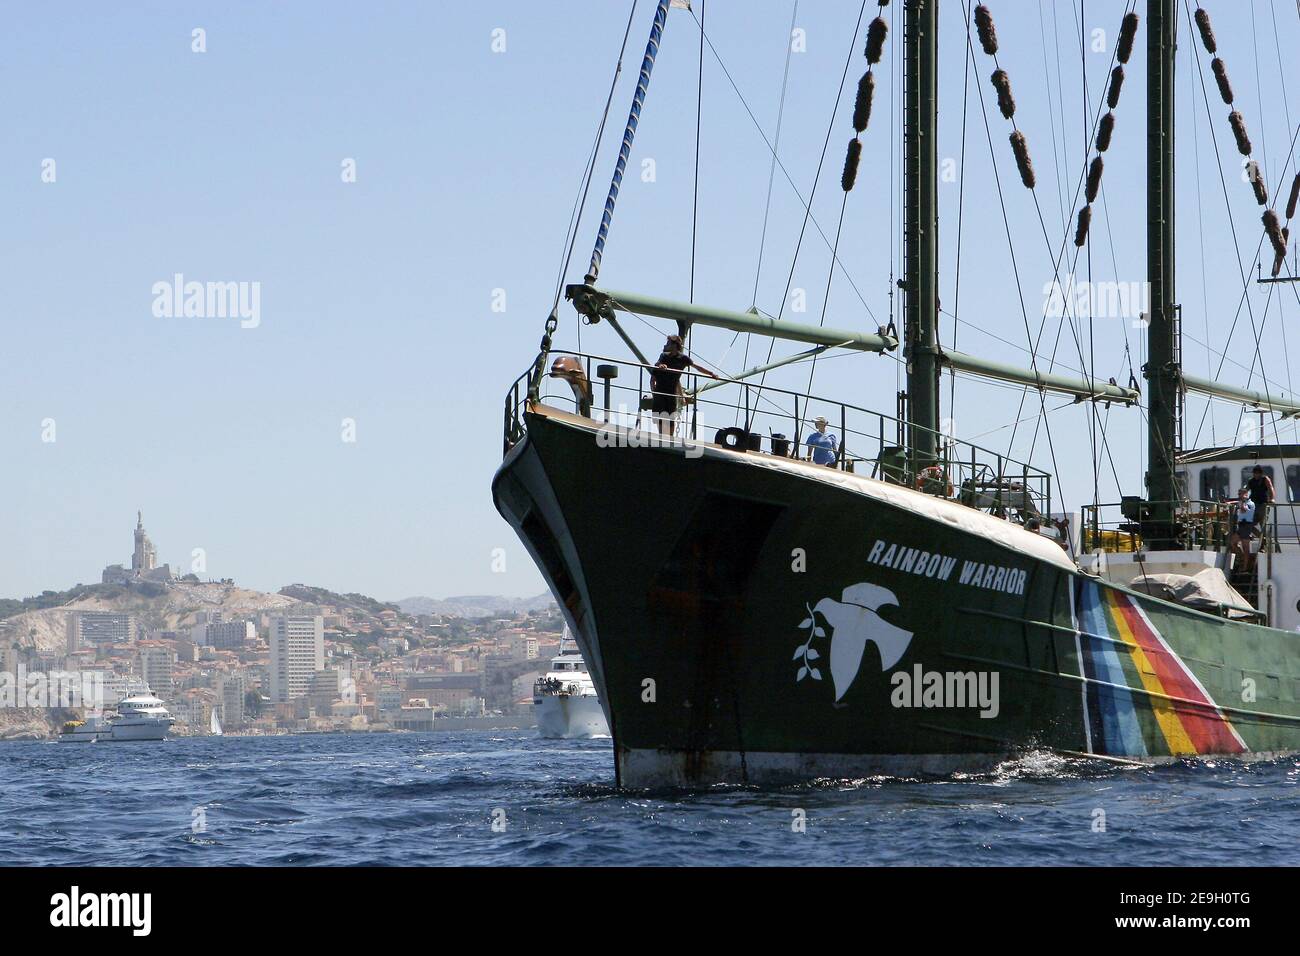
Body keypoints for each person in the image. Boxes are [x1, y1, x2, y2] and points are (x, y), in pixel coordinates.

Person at [649, 335, 718, 437]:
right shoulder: (664, 356)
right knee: (660, 417)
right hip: (660, 389)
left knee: (671, 417)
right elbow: (657, 366)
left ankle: (669, 439)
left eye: (668, 343)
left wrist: (711, 373)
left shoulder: (683, 359)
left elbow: (697, 367)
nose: (665, 345)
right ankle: (661, 438)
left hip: (671, 391)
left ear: (674, 345)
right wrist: (661, 366)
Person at [1228, 486, 1257, 572]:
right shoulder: (1242, 502)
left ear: (1246, 495)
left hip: (1246, 526)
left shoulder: (1250, 503)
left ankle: (1245, 566)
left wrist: (1240, 503)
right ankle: (1241, 557)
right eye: (1239, 494)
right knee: (1232, 542)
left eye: (1241, 494)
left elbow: (1244, 510)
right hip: (1241, 526)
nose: (1239, 496)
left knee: (1245, 548)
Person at [1247, 465, 1275, 532]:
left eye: (1258, 473)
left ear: (1261, 473)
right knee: (1248, 525)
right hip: (1253, 505)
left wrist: (1272, 499)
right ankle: (1261, 538)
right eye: (1255, 473)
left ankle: (1265, 539)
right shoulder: (1251, 481)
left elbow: (1271, 489)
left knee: (1263, 525)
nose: (1256, 474)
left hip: (1262, 505)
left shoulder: (1265, 479)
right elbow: (1246, 490)